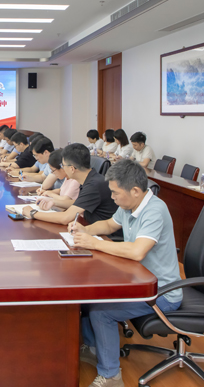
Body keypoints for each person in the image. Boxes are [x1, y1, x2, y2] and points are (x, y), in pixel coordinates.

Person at [69, 159, 182, 387]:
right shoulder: (130, 204)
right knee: (88, 298)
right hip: (137, 280)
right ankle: (94, 348)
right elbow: (110, 225)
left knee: (102, 312)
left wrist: (95, 244)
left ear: (135, 191)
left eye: (115, 193)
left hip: (161, 292)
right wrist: (85, 230)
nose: (112, 198)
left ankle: (111, 376)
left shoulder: (155, 210)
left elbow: (138, 251)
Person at [22, 143, 117, 225]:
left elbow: (65, 218)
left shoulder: (93, 185)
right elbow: (77, 203)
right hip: (88, 225)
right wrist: (53, 202)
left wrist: (33, 213)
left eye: (63, 165)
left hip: (103, 235)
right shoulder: (90, 178)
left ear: (72, 168)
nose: (62, 168)